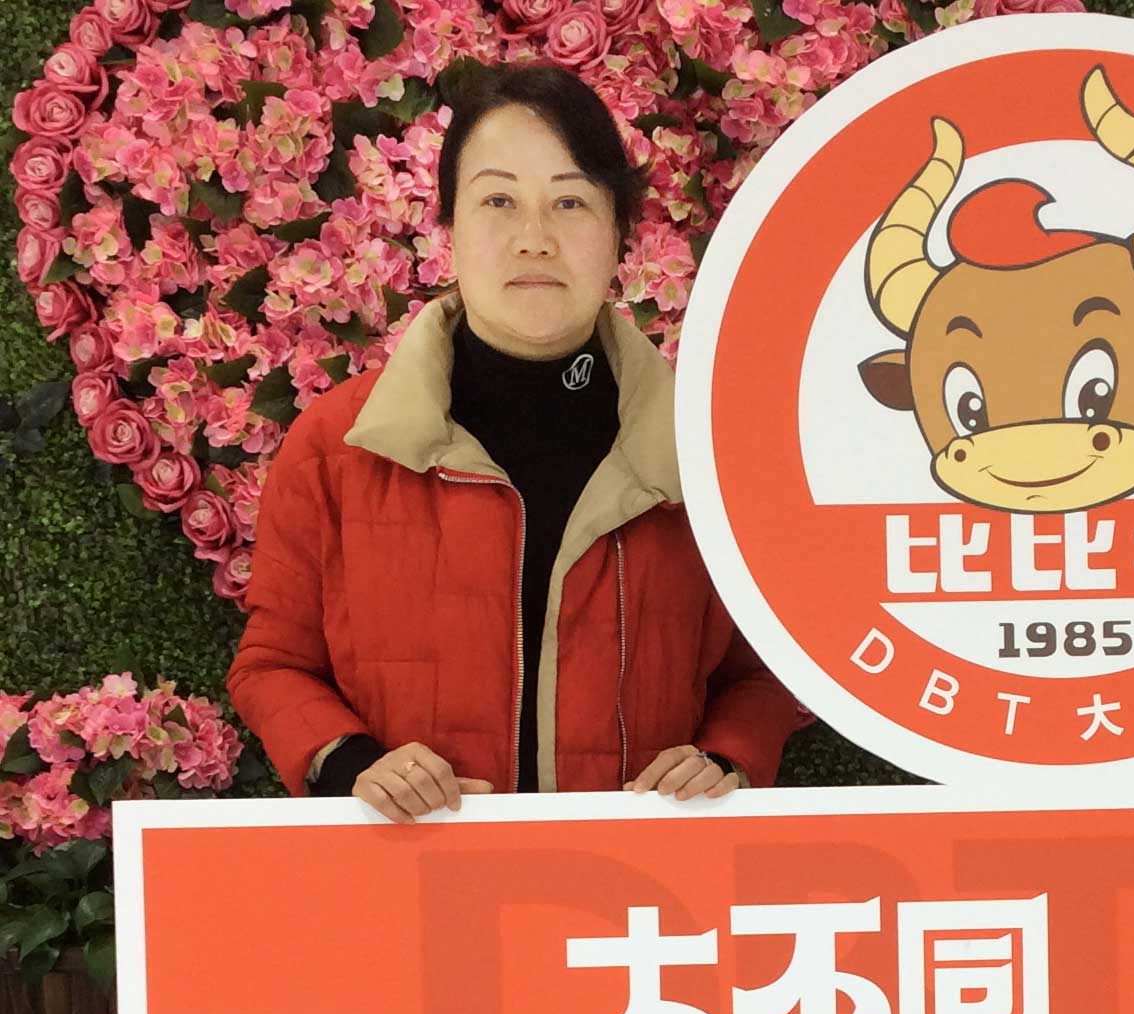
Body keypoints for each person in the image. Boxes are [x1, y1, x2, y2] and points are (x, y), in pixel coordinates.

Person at [228, 63, 801, 823]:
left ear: (620, 234)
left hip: (639, 876)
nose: (534, 239)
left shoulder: (705, 452)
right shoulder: (339, 447)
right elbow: (273, 665)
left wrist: (724, 756)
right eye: (498, 201)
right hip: (413, 870)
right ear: (449, 229)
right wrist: (351, 762)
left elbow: (770, 668)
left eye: (570, 201)